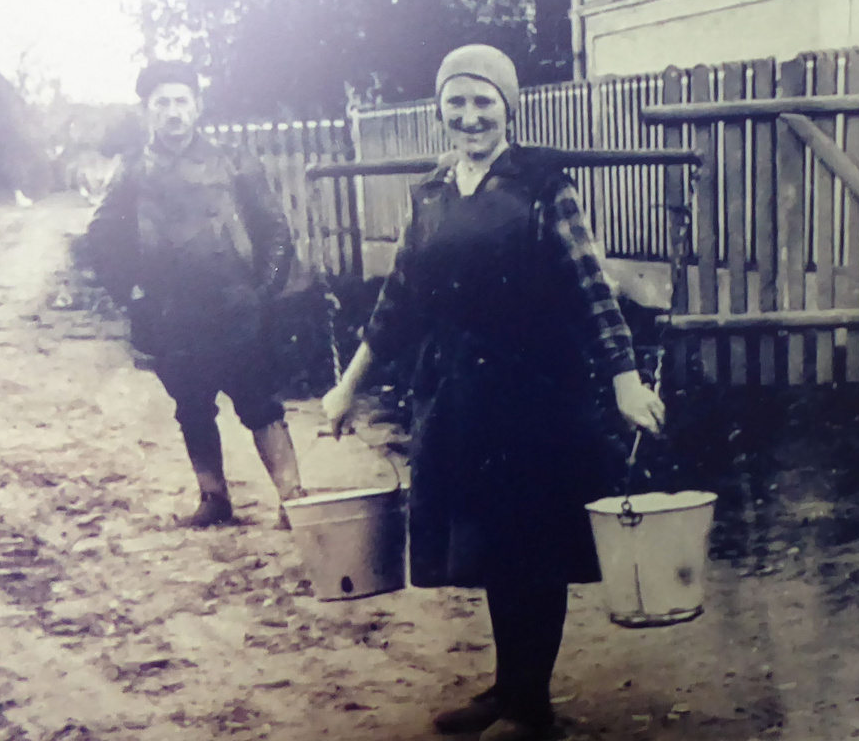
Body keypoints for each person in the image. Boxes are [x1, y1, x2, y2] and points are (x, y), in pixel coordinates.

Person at [322, 44, 666, 741]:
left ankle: (530, 709)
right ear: (440, 109)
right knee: (491, 549)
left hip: (537, 399)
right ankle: (510, 688)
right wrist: (347, 386)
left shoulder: (543, 187)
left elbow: (591, 291)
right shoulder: (433, 195)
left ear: (509, 108)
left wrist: (627, 380)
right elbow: (398, 302)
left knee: (531, 550)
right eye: (457, 101)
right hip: (459, 399)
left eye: (484, 102)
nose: (470, 116)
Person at [85, 60, 305, 529]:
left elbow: (276, 231)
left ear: (197, 107)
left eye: (181, 101)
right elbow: (101, 237)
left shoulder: (234, 160)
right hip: (174, 314)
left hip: (236, 307)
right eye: (161, 103)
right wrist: (133, 296)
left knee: (259, 403)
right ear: (147, 111)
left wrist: (263, 293)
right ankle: (213, 497)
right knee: (191, 406)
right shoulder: (132, 171)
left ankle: (293, 498)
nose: (172, 112)